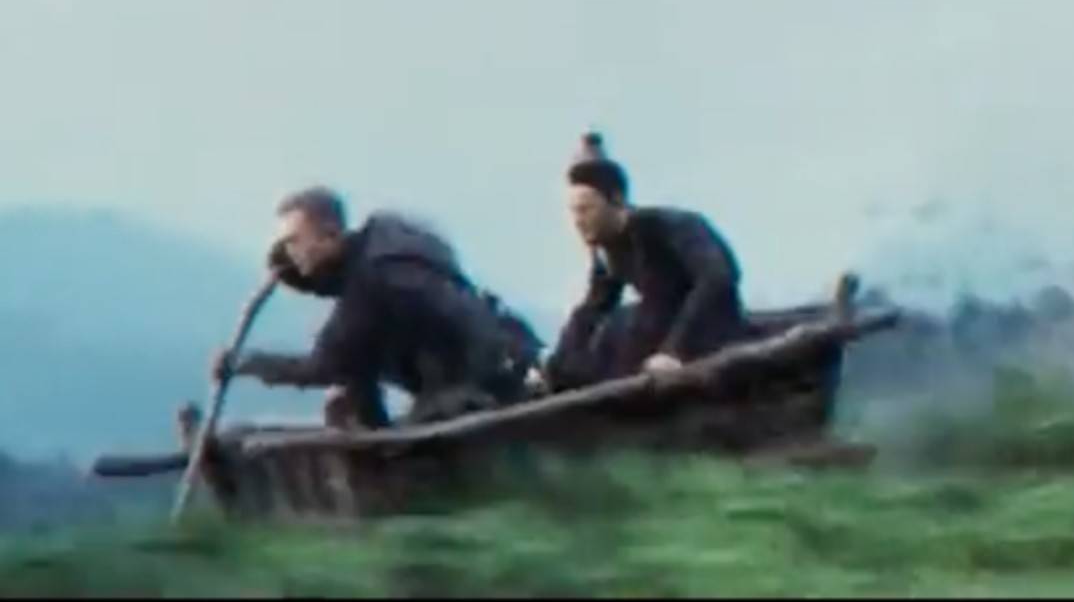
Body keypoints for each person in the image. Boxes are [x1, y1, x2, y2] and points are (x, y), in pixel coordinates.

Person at [219, 187, 548, 430]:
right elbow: (336, 289)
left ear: (330, 235)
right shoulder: (386, 239)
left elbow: (323, 365)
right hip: (500, 358)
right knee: (356, 373)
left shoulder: (372, 280)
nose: (290, 253)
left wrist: (246, 363)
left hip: (475, 386)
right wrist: (294, 273)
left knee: (350, 378)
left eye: (294, 241)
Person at [549, 133, 754, 389]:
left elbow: (718, 278)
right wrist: (556, 367)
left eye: (585, 210)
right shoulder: (611, 250)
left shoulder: (668, 227)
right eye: (573, 212)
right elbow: (593, 308)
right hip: (665, 340)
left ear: (617, 201)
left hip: (713, 333)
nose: (578, 222)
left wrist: (675, 351)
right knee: (619, 332)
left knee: (635, 323)